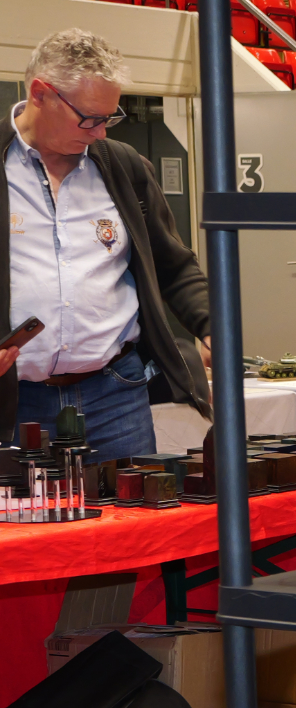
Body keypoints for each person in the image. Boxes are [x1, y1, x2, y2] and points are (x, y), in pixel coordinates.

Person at [3, 29, 210, 462]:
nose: (99, 133)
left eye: (108, 118)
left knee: (135, 506)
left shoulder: (123, 167)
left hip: (116, 395)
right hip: (14, 401)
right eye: (89, 119)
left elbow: (173, 266)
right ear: (40, 94)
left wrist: (213, 327)